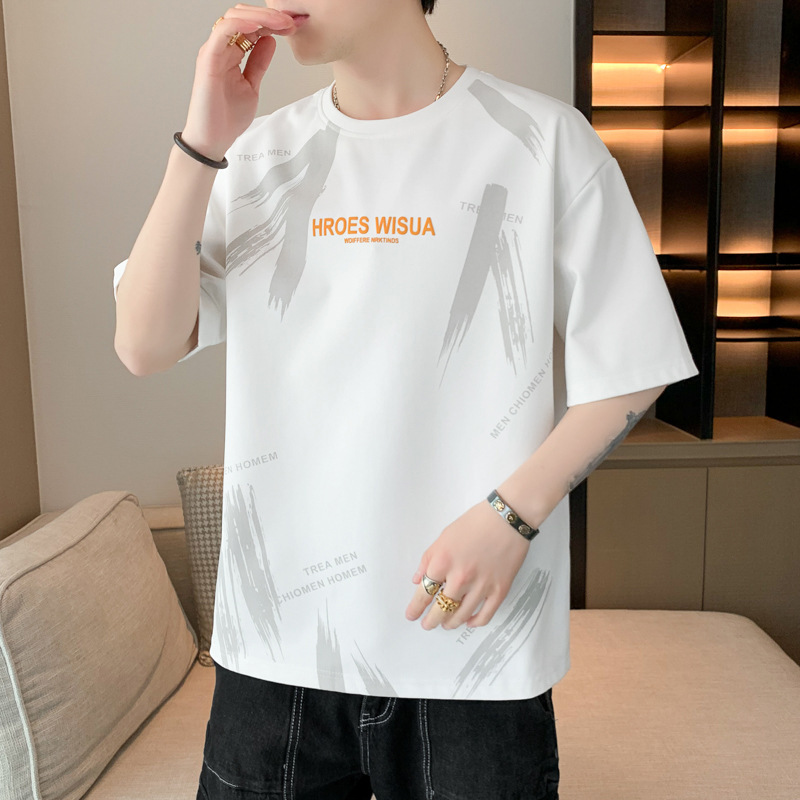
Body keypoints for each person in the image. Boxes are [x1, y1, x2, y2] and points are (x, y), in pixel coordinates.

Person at [112, 1, 699, 797]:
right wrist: (201, 144)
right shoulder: (256, 154)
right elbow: (144, 345)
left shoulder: (542, 140)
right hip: (277, 655)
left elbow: (635, 361)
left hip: (473, 649)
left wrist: (512, 514)